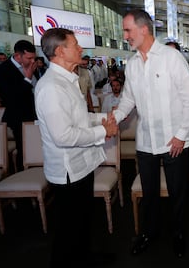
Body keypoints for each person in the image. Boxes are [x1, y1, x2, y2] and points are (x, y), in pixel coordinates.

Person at [113, 9, 189, 258]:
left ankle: (179, 234)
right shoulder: (132, 64)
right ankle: (149, 233)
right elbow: (128, 99)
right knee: (149, 193)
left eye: (128, 30)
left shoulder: (171, 58)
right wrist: (115, 118)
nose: (125, 35)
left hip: (175, 140)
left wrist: (181, 135)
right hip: (146, 140)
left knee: (178, 192)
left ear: (144, 29)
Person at [35, 28, 118, 268]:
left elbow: (79, 120)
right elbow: (63, 135)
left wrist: (103, 118)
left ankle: (85, 257)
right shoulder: (51, 87)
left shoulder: (68, 80)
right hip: (67, 170)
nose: (81, 48)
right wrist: (104, 130)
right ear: (60, 51)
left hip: (81, 164)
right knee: (67, 230)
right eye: (75, 44)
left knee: (82, 221)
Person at [0, 40, 37, 171]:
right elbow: (10, 97)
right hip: (18, 116)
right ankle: (21, 174)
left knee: (35, 146)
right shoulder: (2, 70)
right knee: (23, 148)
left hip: (34, 113)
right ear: (18, 56)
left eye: (33, 58)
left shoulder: (31, 65)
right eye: (29, 58)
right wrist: (28, 78)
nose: (32, 61)